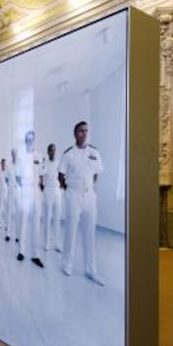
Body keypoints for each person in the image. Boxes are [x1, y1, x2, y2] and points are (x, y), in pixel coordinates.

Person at [58, 121, 104, 285]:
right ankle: (66, 264)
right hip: (73, 195)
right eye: (80, 131)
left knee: (90, 233)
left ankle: (90, 269)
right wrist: (69, 191)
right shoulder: (68, 154)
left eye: (86, 131)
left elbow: (97, 174)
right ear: (75, 134)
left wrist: (89, 188)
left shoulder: (94, 152)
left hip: (90, 196)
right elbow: (61, 175)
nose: (84, 134)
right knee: (71, 230)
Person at [15, 130, 45, 268]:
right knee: (24, 221)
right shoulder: (21, 157)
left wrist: (39, 188)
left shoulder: (39, 155)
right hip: (26, 190)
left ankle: (35, 255)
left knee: (36, 224)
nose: (30, 141)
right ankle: (21, 251)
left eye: (32, 139)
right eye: (28, 139)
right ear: (25, 140)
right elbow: (17, 176)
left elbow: (41, 175)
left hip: (36, 191)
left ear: (34, 140)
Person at [41, 143, 62, 252]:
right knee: (47, 218)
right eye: (51, 150)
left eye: (54, 150)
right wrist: (42, 187)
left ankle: (57, 243)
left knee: (57, 218)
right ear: (48, 151)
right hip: (48, 190)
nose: (53, 151)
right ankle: (46, 243)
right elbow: (40, 175)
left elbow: (62, 175)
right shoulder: (44, 163)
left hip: (57, 191)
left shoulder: (59, 163)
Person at [0, 158, 8, 231]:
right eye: (2, 163)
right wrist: (0, 186)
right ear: (1, 164)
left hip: (6, 192)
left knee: (6, 208)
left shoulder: (7, 171)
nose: (3, 164)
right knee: (0, 207)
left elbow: (9, 181)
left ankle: (6, 224)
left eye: (4, 163)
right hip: (0, 192)